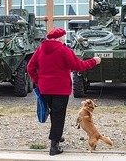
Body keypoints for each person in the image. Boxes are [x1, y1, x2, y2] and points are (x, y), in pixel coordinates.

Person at [27, 27, 101, 156]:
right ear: (59, 38)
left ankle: (57, 135)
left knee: (54, 113)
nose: (64, 40)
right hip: (60, 89)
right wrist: (94, 61)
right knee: (59, 115)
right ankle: (54, 146)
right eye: (63, 37)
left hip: (45, 89)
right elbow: (78, 66)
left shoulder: (40, 50)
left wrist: (38, 81)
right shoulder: (64, 50)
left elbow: (30, 67)